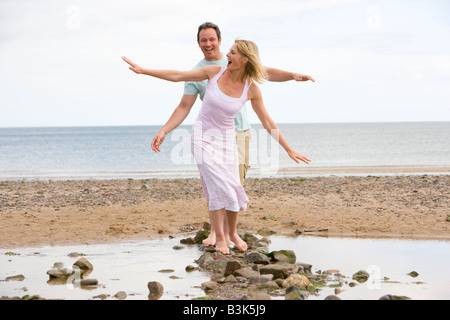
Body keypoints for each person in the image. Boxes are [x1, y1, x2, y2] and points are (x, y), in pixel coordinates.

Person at [122, 39, 311, 254]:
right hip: (202, 138)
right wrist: (144, 71)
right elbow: (178, 75)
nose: (227, 55)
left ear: (244, 59)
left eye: (232, 52)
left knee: (233, 186)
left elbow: (268, 122)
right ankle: (221, 238)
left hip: (226, 141)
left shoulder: (251, 89)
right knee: (216, 186)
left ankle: (232, 233)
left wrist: (289, 149)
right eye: (229, 51)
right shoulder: (214, 72)